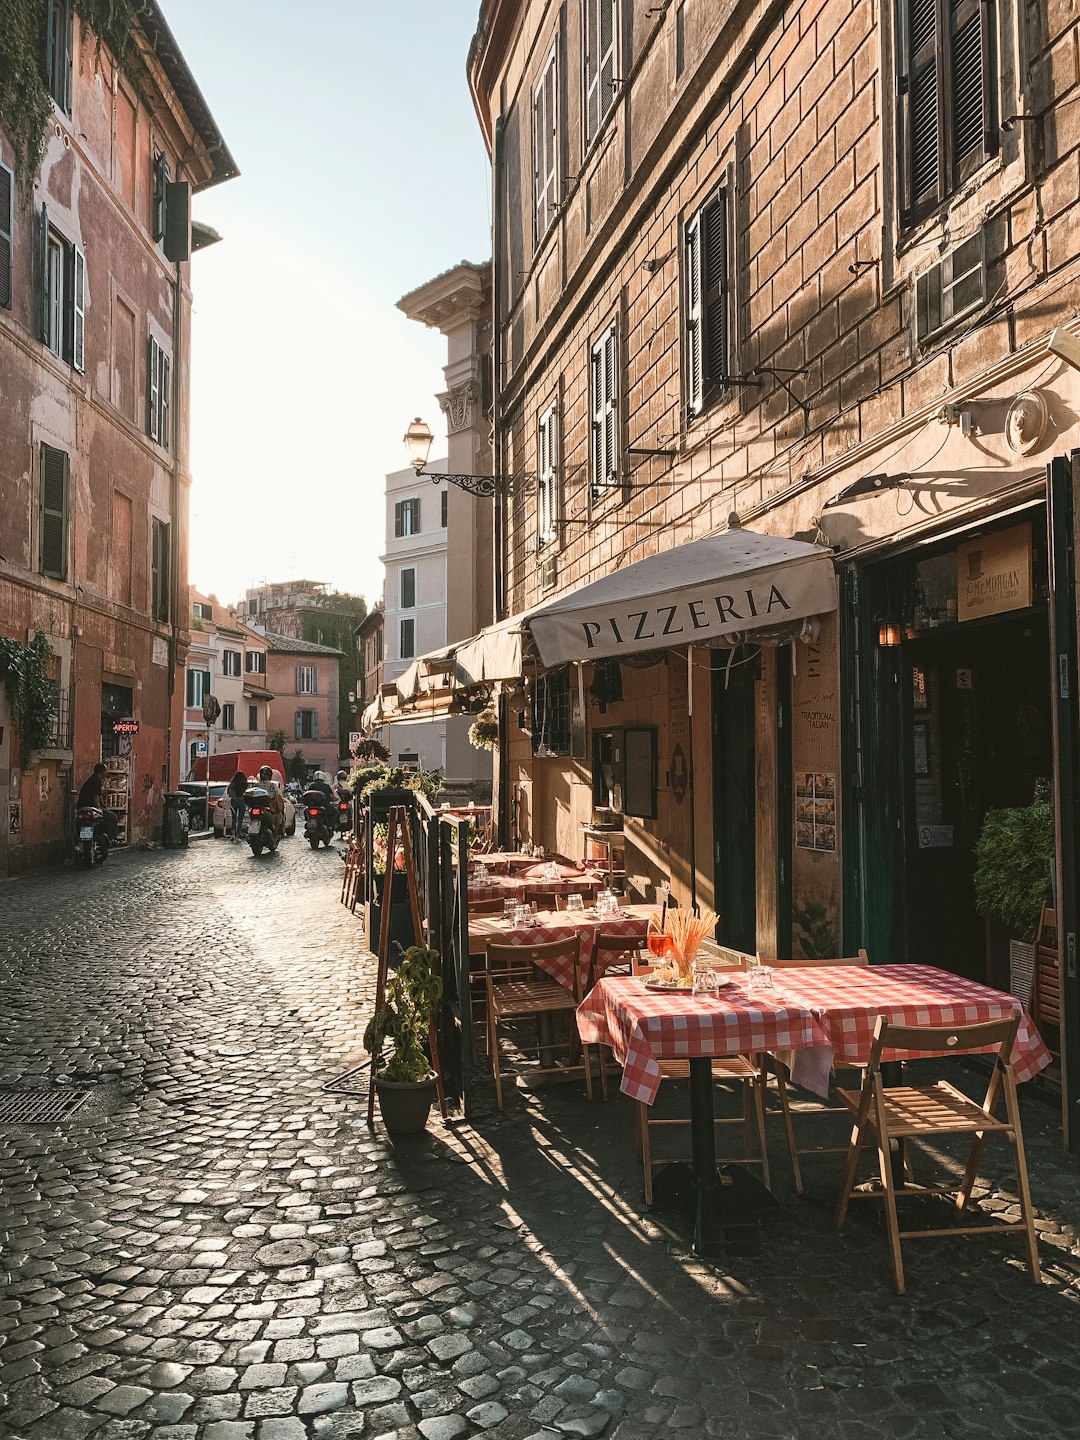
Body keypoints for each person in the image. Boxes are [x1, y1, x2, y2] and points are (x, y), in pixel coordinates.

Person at [77, 763, 118, 846]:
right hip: (91, 808)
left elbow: (97, 793)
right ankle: (111, 840)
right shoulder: (96, 780)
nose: (106, 773)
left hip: (82, 807)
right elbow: (95, 797)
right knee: (113, 817)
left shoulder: (92, 779)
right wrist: (99, 809)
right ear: (102, 772)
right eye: (106, 771)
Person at [227, 770, 248, 841]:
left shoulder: (232, 783)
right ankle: (238, 835)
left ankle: (233, 833)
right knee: (240, 819)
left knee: (234, 818)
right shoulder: (244, 783)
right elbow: (246, 792)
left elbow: (229, 793)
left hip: (234, 800)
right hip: (242, 800)